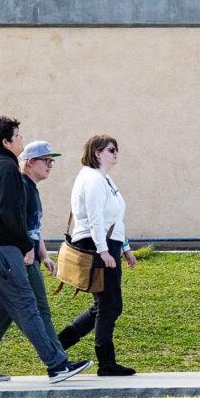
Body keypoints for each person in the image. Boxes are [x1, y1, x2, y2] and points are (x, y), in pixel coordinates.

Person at [0, 116, 91, 387]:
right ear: (6, 141)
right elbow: (10, 214)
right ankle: (57, 364)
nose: (21, 141)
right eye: (17, 136)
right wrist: (26, 246)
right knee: (27, 306)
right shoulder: (5, 167)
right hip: (1, 250)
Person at [0, 140, 65, 381]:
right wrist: (28, 253)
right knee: (39, 308)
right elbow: (17, 225)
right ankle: (59, 361)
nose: (50, 165)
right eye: (46, 161)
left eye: (51, 161)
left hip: (29, 255)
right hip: (23, 258)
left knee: (3, 313)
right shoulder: (22, 187)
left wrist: (44, 255)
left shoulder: (31, 188)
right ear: (30, 162)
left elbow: (34, 227)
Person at [56, 134, 138, 377]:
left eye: (116, 149)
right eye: (111, 150)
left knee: (106, 305)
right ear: (97, 153)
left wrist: (124, 248)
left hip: (108, 244)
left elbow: (114, 218)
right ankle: (106, 363)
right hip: (96, 244)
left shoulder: (105, 179)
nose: (116, 154)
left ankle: (59, 345)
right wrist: (103, 251)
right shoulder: (92, 179)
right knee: (109, 305)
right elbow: (95, 218)